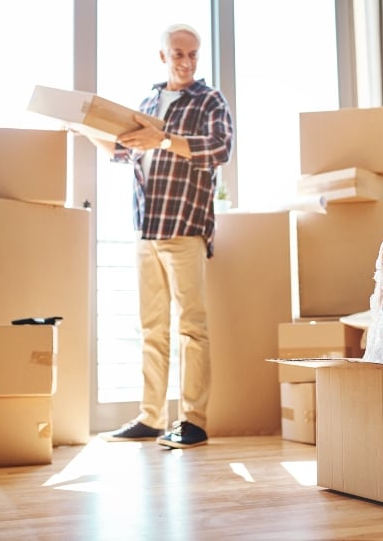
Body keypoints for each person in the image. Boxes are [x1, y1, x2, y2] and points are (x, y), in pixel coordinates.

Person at [82, 23, 234, 449]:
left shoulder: (209, 99)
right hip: (146, 230)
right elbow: (121, 152)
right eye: (179, 54)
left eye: (193, 54)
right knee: (151, 328)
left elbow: (220, 148)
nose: (186, 62)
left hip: (184, 227)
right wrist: (82, 127)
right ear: (163, 56)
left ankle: (193, 421)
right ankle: (151, 417)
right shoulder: (149, 101)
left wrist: (164, 139)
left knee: (191, 327)